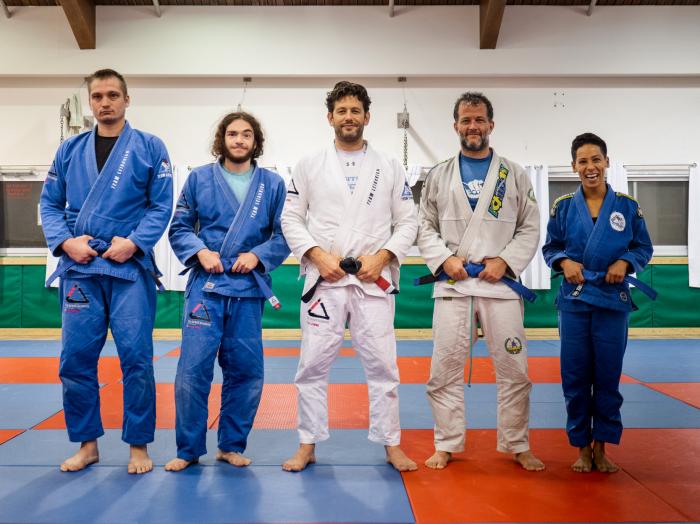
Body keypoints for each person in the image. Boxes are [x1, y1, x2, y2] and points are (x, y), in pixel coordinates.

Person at [280, 81, 418, 472]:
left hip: (372, 281)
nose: (349, 117)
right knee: (312, 365)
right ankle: (307, 443)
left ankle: (391, 444)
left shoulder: (389, 164)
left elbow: (409, 221)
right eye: (341, 111)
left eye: (355, 110)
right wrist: (317, 255)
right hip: (325, 280)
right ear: (330, 117)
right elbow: (291, 218)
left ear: (367, 117)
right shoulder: (309, 164)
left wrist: (383, 257)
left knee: (384, 366)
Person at [40, 69, 173, 474]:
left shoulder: (150, 147)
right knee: (75, 360)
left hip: (127, 266)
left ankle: (138, 446)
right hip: (81, 266)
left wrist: (134, 242)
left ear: (126, 100)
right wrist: (66, 243)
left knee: (137, 359)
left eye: (113, 95)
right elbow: (49, 204)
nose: (105, 102)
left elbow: (160, 205)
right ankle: (87, 445)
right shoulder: (69, 149)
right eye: (97, 96)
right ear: (91, 102)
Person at [417, 91, 544, 471]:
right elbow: (423, 225)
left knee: (515, 370)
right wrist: (444, 259)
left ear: (491, 124)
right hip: (453, 286)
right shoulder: (438, 174)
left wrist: (505, 261)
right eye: (466, 120)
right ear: (456, 125)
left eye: (479, 120)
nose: (472, 126)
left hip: (499, 287)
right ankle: (446, 443)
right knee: (444, 369)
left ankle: (517, 443)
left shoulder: (514, 174)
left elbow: (530, 226)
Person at [164, 112, 289, 472]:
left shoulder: (273, 184)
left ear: (255, 141)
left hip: (247, 289)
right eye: (233, 134)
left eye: (247, 134)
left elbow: (284, 235)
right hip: (207, 286)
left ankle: (231, 445)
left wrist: (258, 255)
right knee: (192, 371)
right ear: (222, 139)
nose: (239, 140)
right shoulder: (199, 179)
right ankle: (188, 449)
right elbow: (179, 227)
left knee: (246, 371)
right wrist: (200, 252)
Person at [542, 132, 653, 473]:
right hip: (575, 300)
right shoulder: (563, 206)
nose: (590, 167)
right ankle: (581, 447)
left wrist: (625, 262)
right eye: (583, 161)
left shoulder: (627, 206)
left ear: (607, 162)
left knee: (607, 376)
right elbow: (550, 247)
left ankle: (601, 446)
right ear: (573, 166)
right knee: (575, 377)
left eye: (596, 160)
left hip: (611, 299)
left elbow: (643, 248)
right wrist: (564, 262)